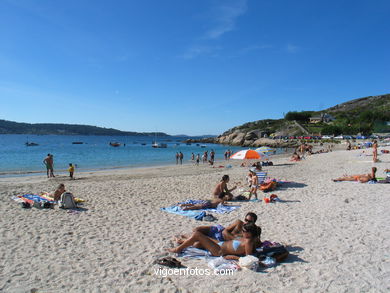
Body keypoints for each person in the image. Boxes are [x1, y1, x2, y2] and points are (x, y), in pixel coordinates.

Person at [168, 222, 260, 259]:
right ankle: (181, 241)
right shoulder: (247, 238)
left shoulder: (248, 242)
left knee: (197, 235)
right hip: (219, 244)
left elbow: (248, 258)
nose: (242, 232)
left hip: (219, 251)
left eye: (244, 231)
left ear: (249, 233)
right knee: (198, 243)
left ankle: (178, 249)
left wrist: (230, 257)